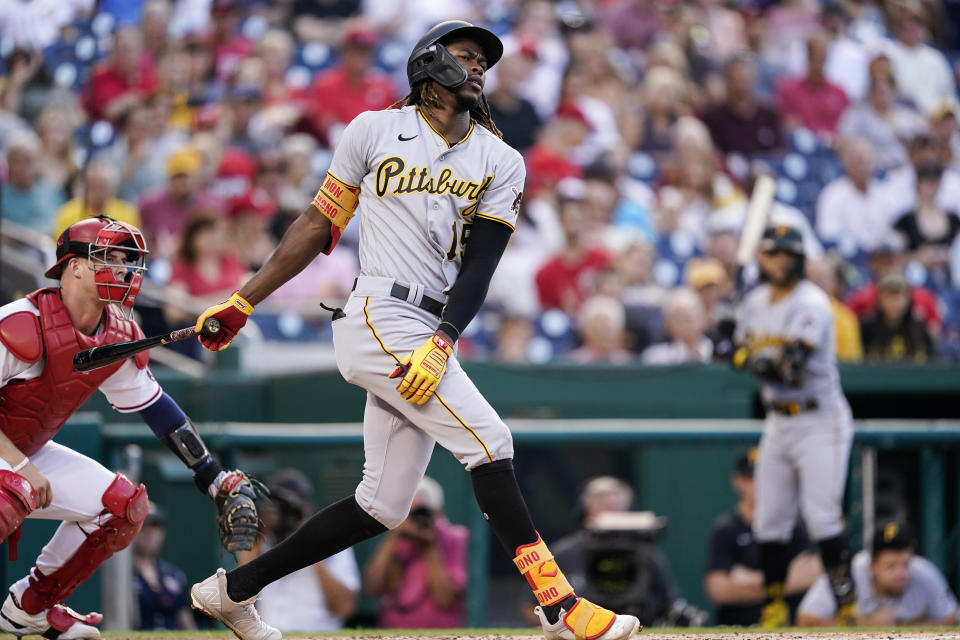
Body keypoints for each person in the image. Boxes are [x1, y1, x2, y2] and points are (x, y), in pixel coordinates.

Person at [188, 20, 642, 640]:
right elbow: (318, 224)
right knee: (490, 442)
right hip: (378, 310)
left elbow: (482, 263)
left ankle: (233, 591)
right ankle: (561, 607)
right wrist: (243, 300)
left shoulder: (501, 158)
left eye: (485, 59)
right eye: (465, 55)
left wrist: (445, 338)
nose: (479, 66)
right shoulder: (374, 129)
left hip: (432, 322)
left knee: (382, 504)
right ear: (428, 65)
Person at [0, 216, 259, 640]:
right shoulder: (21, 322)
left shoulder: (115, 334)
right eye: (110, 257)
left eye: (127, 260)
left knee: (123, 507)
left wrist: (211, 475)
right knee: (11, 493)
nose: (123, 269)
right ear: (74, 266)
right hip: (14, 456)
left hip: (24, 451)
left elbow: (158, 408)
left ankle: (29, 608)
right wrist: (20, 464)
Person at [731, 225, 857, 627]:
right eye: (772, 253)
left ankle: (848, 608)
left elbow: (787, 370)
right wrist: (724, 340)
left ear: (800, 258)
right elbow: (738, 348)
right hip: (777, 420)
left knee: (822, 517)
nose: (780, 261)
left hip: (820, 418)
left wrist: (736, 355)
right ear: (762, 257)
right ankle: (773, 608)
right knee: (769, 520)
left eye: (787, 254)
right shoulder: (753, 302)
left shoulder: (813, 303)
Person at [704, 449, 821, 626]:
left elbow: (813, 575)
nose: (760, 484)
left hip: (790, 628)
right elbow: (719, 591)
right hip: (739, 628)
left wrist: (751, 581)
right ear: (738, 482)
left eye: (767, 477)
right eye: (752, 477)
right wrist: (786, 581)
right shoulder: (726, 529)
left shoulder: (793, 524)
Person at [551, 477, 686, 627]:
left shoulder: (645, 554)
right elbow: (532, 608)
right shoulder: (564, 553)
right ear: (587, 508)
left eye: (616, 507)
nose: (611, 513)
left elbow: (671, 604)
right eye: (604, 506)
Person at [248, 469, 360, 632]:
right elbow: (240, 599)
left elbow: (345, 608)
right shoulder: (262, 542)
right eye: (277, 508)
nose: (284, 515)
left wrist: (309, 542)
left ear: (308, 508)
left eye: (289, 508)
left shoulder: (333, 542)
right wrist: (259, 533)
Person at [797, 522, 958, 626]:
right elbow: (806, 618)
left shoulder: (924, 572)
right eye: (891, 566)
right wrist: (867, 625)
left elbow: (952, 617)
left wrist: (901, 628)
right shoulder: (849, 573)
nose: (901, 573)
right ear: (872, 566)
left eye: (906, 564)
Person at [363, 476, 468, 628]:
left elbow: (445, 599)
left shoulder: (456, 537)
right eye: (411, 513)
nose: (417, 519)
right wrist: (393, 537)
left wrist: (430, 545)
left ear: (438, 512)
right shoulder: (398, 539)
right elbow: (371, 588)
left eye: (423, 512)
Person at [133, 503, 196, 630]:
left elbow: (186, 620)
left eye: (155, 528)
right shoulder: (122, 577)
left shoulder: (172, 574)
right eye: (144, 527)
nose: (150, 534)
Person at [860, 271, 936, 363]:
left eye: (898, 297)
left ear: (908, 299)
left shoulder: (919, 329)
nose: (894, 303)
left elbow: (932, 362)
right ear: (879, 299)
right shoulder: (866, 328)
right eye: (889, 297)